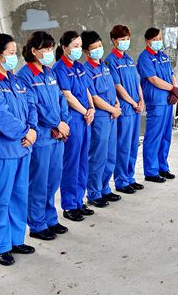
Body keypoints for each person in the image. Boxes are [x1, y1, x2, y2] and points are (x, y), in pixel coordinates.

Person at [0, 34, 37, 267]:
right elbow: (0, 116)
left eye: (15, 52)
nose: (15, 56)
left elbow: (30, 104)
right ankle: (1, 246)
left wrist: (32, 130)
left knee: (19, 196)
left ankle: (16, 240)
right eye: (11, 53)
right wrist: (25, 132)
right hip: (3, 152)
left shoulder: (15, 79)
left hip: (23, 148)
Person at [17, 32, 71, 241]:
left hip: (57, 135)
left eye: (51, 48)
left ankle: (50, 219)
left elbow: (61, 99)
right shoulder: (25, 76)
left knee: (53, 179)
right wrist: (56, 123)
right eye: (46, 49)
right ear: (34, 51)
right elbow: (34, 107)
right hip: (42, 137)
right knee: (39, 182)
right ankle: (37, 224)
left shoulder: (49, 72)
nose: (49, 52)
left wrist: (63, 121)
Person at [52, 31, 95, 222]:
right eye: (75, 46)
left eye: (80, 46)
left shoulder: (79, 66)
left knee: (83, 161)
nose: (78, 49)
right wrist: (85, 111)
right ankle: (69, 205)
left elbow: (86, 89)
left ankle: (79, 200)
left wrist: (91, 108)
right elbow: (67, 96)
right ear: (64, 48)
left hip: (85, 118)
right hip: (74, 119)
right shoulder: (60, 68)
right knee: (71, 162)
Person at [81, 30, 122, 208]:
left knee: (110, 154)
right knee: (98, 156)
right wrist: (113, 109)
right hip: (101, 117)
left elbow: (112, 88)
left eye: (100, 46)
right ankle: (94, 192)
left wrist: (117, 105)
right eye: (94, 47)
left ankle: (105, 188)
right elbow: (95, 97)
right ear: (86, 51)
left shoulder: (104, 65)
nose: (98, 49)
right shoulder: (86, 70)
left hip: (112, 114)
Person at [104, 25, 145, 194]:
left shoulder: (128, 59)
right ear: (114, 40)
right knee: (123, 145)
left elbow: (137, 82)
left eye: (127, 39)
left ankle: (130, 177)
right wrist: (133, 103)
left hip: (135, 108)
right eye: (122, 39)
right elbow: (117, 86)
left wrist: (141, 100)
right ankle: (121, 180)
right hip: (126, 109)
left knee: (133, 144)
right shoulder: (111, 60)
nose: (125, 42)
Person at [137, 28, 178, 183]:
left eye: (159, 38)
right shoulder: (145, 58)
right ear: (147, 41)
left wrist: (175, 89)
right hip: (156, 101)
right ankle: (151, 171)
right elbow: (153, 79)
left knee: (166, 135)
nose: (158, 41)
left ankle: (163, 167)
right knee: (154, 135)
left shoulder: (163, 56)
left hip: (168, 100)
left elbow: (171, 74)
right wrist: (172, 88)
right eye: (154, 39)